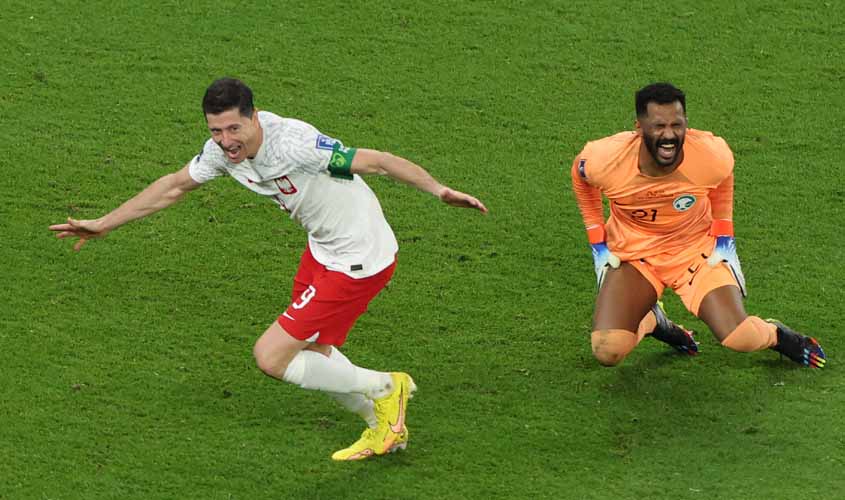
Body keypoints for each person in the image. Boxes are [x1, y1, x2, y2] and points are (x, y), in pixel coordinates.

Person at [50, 77, 488, 460]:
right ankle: (383, 426)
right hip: (322, 248)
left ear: (255, 117)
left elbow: (377, 161)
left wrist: (439, 189)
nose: (225, 141)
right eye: (216, 131)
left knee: (272, 356)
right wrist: (104, 224)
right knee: (315, 356)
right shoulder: (223, 153)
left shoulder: (295, 144)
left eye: (233, 128)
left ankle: (388, 388)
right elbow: (173, 187)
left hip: (358, 258)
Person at [570, 82, 826, 368]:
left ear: (686, 124)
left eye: (676, 125)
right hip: (633, 253)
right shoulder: (606, 159)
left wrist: (724, 235)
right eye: (658, 126)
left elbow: (723, 174)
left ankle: (778, 336)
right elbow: (581, 178)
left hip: (695, 250)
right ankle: (655, 322)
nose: (669, 135)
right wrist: (597, 240)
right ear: (638, 127)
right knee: (608, 350)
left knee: (738, 337)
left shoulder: (708, 155)